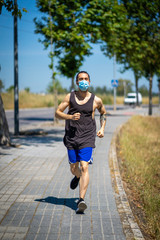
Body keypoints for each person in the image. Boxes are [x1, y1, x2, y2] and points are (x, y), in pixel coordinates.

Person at [56, 71, 107, 213]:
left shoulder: (96, 100)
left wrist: (102, 128)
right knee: (74, 167)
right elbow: (57, 112)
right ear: (77, 82)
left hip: (87, 137)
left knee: (85, 167)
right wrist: (70, 117)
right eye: (81, 79)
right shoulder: (70, 97)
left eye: (86, 79)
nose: (83, 81)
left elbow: (103, 113)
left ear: (89, 82)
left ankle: (81, 200)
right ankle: (76, 176)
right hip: (71, 137)